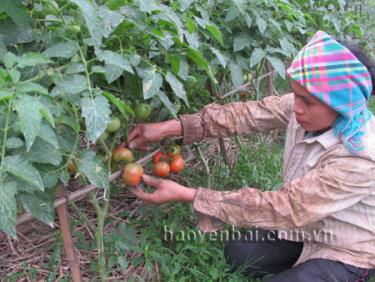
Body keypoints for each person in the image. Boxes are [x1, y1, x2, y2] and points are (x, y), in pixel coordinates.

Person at [127, 31, 375, 281]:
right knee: (238, 254)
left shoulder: (360, 157)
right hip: (305, 229)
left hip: (346, 250)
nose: (296, 106)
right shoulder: (306, 108)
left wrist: (190, 195)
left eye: (307, 101)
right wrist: (171, 128)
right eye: (295, 94)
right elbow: (246, 115)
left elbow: (287, 207)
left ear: (341, 104)